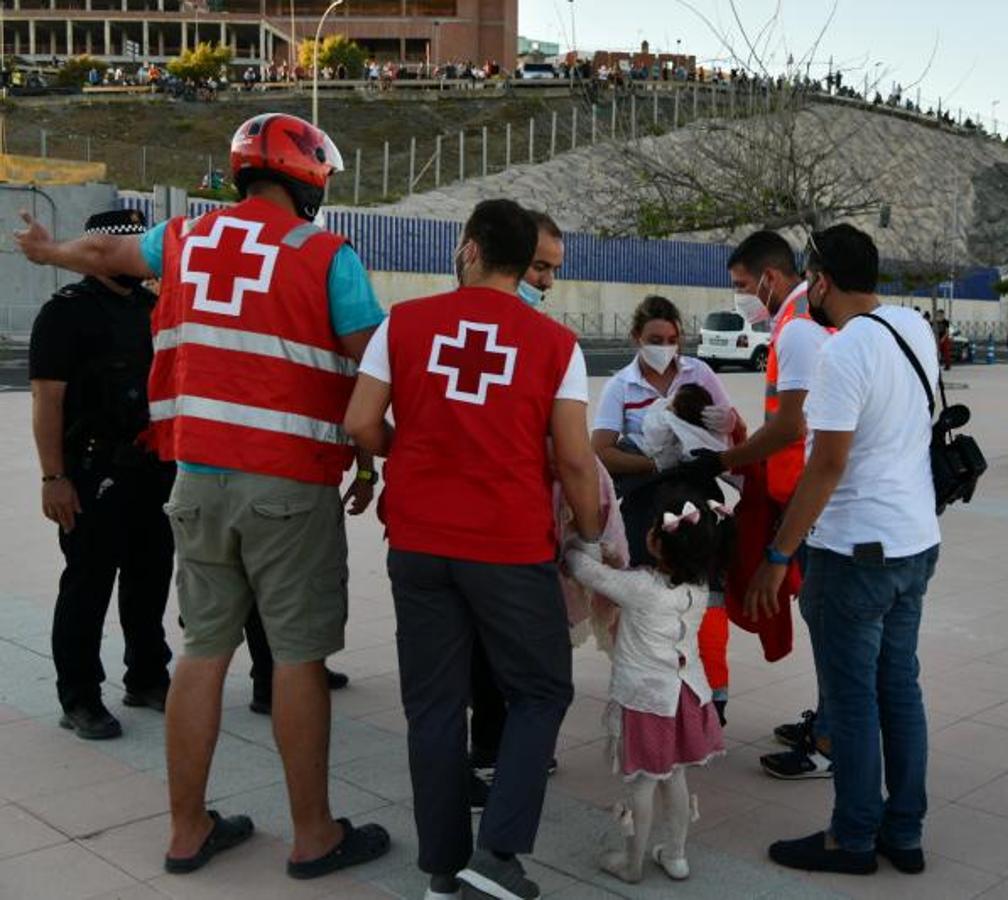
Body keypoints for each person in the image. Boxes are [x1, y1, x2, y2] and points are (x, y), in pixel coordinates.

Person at [15, 112, 391, 879]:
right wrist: (372, 461)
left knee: (203, 650)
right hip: (286, 484)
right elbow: (374, 373)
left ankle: (188, 831)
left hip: (194, 478)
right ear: (309, 177)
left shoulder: (184, 239)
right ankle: (313, 834)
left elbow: (103, 251)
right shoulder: (325, 255)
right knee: (296, 657)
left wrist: (49, 250)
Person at [343, 198, 602, 900]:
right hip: (508, 546)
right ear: (525, 264)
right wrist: (593, 534)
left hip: (419, 542)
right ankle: (499, 855)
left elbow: (361, 422)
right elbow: (576, 460)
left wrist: (412, 453)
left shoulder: (402, 324)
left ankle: (441, 870)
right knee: (540, 688)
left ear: (468, 249)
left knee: (433, 706)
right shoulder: (555, 346)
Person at [745, 224, 941, 876]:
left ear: (821, 280)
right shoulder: (911, 328)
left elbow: (825, 465)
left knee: (853, 700)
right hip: (914, 544)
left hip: (852, 551)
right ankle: (903, 833)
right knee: (899, 691)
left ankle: (852, 838)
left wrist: (778, 555)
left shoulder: (842, 352)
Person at [28, 208, 174, 741]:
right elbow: (47, 399)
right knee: (88, 585)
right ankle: (80, 696)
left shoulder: (151, 308)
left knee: (150, 576)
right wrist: (53, 478)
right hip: (91, 472)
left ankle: (148, 676)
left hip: (153, 469)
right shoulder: (65, 314)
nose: (137, 257)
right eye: (127, 246)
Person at [563, 492, 728, 885]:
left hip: (646, 701)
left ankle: (632, 861)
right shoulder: (700, 588)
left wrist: (573, 541)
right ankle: (675, 855)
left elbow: (587, 571)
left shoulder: (640, 587)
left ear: (657, 542)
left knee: (642, 782)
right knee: (675, 776)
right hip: (687, 696)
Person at [717, 230, 832, 780]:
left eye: (743, 285)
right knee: (822, 619)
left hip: (807, 502)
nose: (742, 297)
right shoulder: (796, 324)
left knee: (828, 622)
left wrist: (728, 458)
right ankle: (830, 721)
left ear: (770, 276)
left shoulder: (798, 331)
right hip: (798, 496)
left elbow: (792, 424)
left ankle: (830, 741)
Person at [466, 209, 568, 810]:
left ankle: (503, 749)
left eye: (554, 270)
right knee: (494, 646)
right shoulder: (538, 340)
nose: (548, 283)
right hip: (494, 527)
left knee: (510, 644)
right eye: (539, 267)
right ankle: (492, 754)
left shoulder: (542, 336)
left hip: (513, 517)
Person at [591, 295, 738, 716]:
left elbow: (728, 431)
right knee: (652, 600)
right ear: (637, 337)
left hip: (699, 496)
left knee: (706, 598)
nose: (665, 346)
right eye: (655, 338)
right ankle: (654, 692)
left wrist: (724, 426)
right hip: (647, 505)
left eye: (673, 338)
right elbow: (599, 450)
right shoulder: (621, 385)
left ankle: (713, 695)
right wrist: (654, 461)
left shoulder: (700, 372)